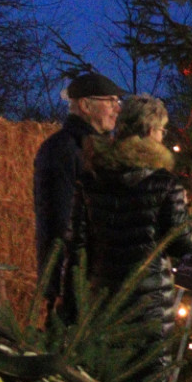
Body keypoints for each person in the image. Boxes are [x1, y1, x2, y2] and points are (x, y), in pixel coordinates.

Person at [71, 95, 192, 382]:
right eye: (162, 130)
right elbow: (181, 244)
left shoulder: (93, 179)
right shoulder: (165, 183)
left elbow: (79, 243)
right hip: (150, 303)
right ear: (151, 130)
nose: (163, 136)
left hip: (104, 298)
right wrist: (186, 214)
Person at [34, 71, 125, 322]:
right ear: (85, 105)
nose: (117, 109)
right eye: (111, 101)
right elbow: (58, 220)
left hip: (95, 280)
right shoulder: (64, 150)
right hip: (76, 284)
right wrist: (61, 285)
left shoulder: (94, 149)